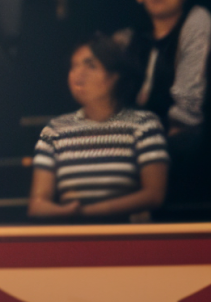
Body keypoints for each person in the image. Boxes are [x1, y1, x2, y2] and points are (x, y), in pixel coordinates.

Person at [29, 42, 167, 222]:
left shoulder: (143, 124)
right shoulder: (55, 130)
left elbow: (154, 195)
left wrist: (91, 212)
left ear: (114, 77)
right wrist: (66, 213)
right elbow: (37, 204)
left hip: (128, 239)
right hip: (74, 239)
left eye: (91, 65)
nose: (78, 73)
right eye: (74, 66)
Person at [124, 0, 208, 207]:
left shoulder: (196, 21)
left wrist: (161, 136)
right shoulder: (133, 38)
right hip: (137, 134)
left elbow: (188, 109)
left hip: (181, 136)